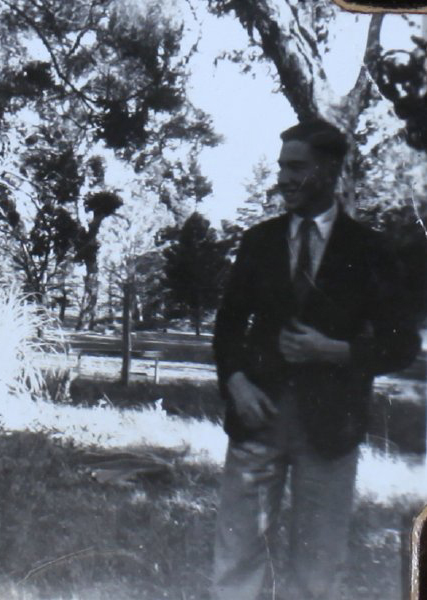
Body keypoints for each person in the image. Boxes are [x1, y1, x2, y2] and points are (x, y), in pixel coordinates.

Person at [211, 119, 421, 600]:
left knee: (318, 571)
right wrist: (237, 383)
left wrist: (337, 352)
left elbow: (402, 342)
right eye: (281, 166)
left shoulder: (370, 249)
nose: (284, 177)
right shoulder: (259, 242)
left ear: (329, 170)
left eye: (297, 167)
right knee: (236, 559)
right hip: (257, 418)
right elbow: (227, 326)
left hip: (331, 427)